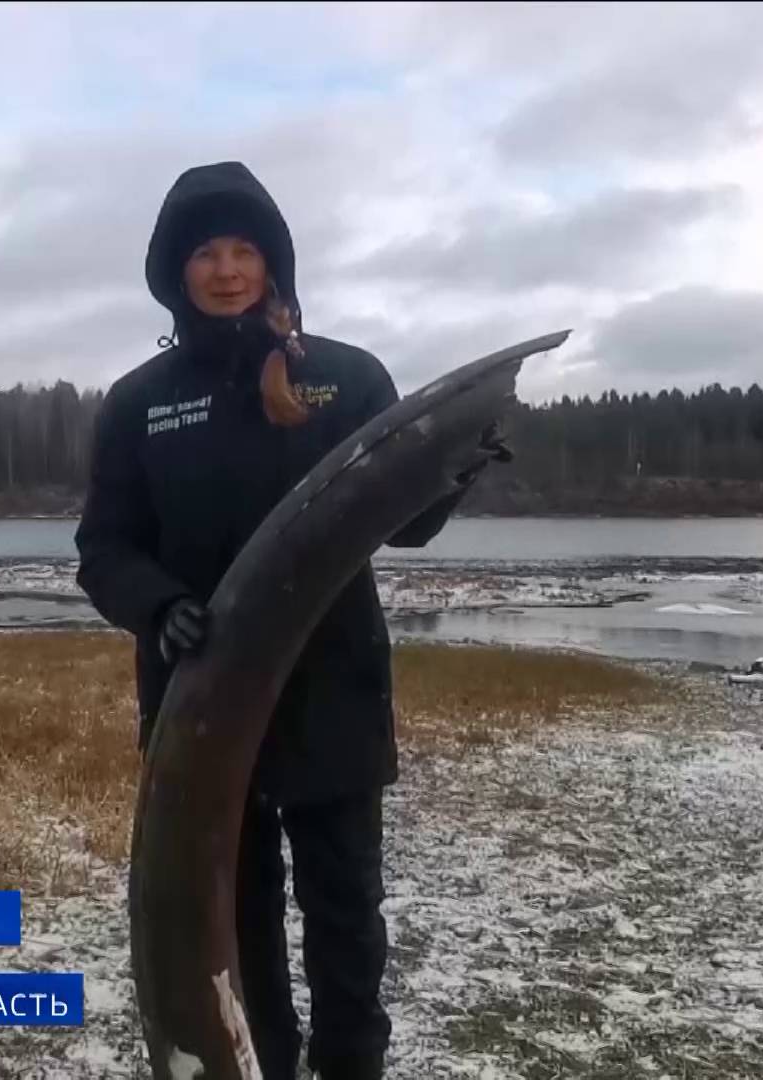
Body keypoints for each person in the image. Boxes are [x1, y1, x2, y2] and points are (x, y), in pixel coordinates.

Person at [73, 161, 509, 1080]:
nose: (228, 269)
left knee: (346, 914)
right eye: (206, 253)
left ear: (274, 265)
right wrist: (159, 607)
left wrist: (457, 463)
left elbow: (409, 524)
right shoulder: (140, 405)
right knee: (237, 926)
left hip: (334, 697)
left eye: (246, 250)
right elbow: (104, 550)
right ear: (174, 271)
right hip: (202, 715)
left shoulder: (345, 380)